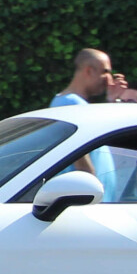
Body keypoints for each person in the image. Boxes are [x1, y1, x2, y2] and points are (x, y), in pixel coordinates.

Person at [49, 48, 122, 183]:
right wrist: (92, 192)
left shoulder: (73, 104)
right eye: (105, 72)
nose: (109, 78)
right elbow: (80, 159)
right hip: (91, 199)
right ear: (89, 71)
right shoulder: (70, 104)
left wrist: (112, 100)